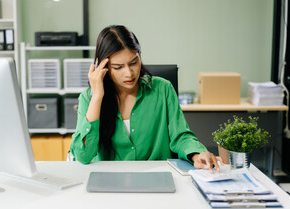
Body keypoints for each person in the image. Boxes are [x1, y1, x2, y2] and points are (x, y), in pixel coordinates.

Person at [70, 25, 223, 171]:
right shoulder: (88, 99)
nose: (129, 73)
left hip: (158, 178)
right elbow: (83, 156)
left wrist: (197, 154)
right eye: (118, 67)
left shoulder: (163, 89)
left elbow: (180, 136)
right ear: (102, 67)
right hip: (111, 183)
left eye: (133, 62)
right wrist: (97, 97)